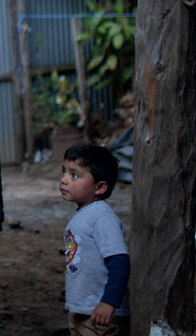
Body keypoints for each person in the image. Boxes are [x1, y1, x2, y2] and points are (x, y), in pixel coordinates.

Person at [60, 143, 130, 335]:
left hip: (101, 315)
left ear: (100, 187)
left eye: (74, 175)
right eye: (64, 172)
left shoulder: (101, 217)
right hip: (82, 310)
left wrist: (109, 302)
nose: (64, 180)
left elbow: (119, 261)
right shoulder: (85, 214)